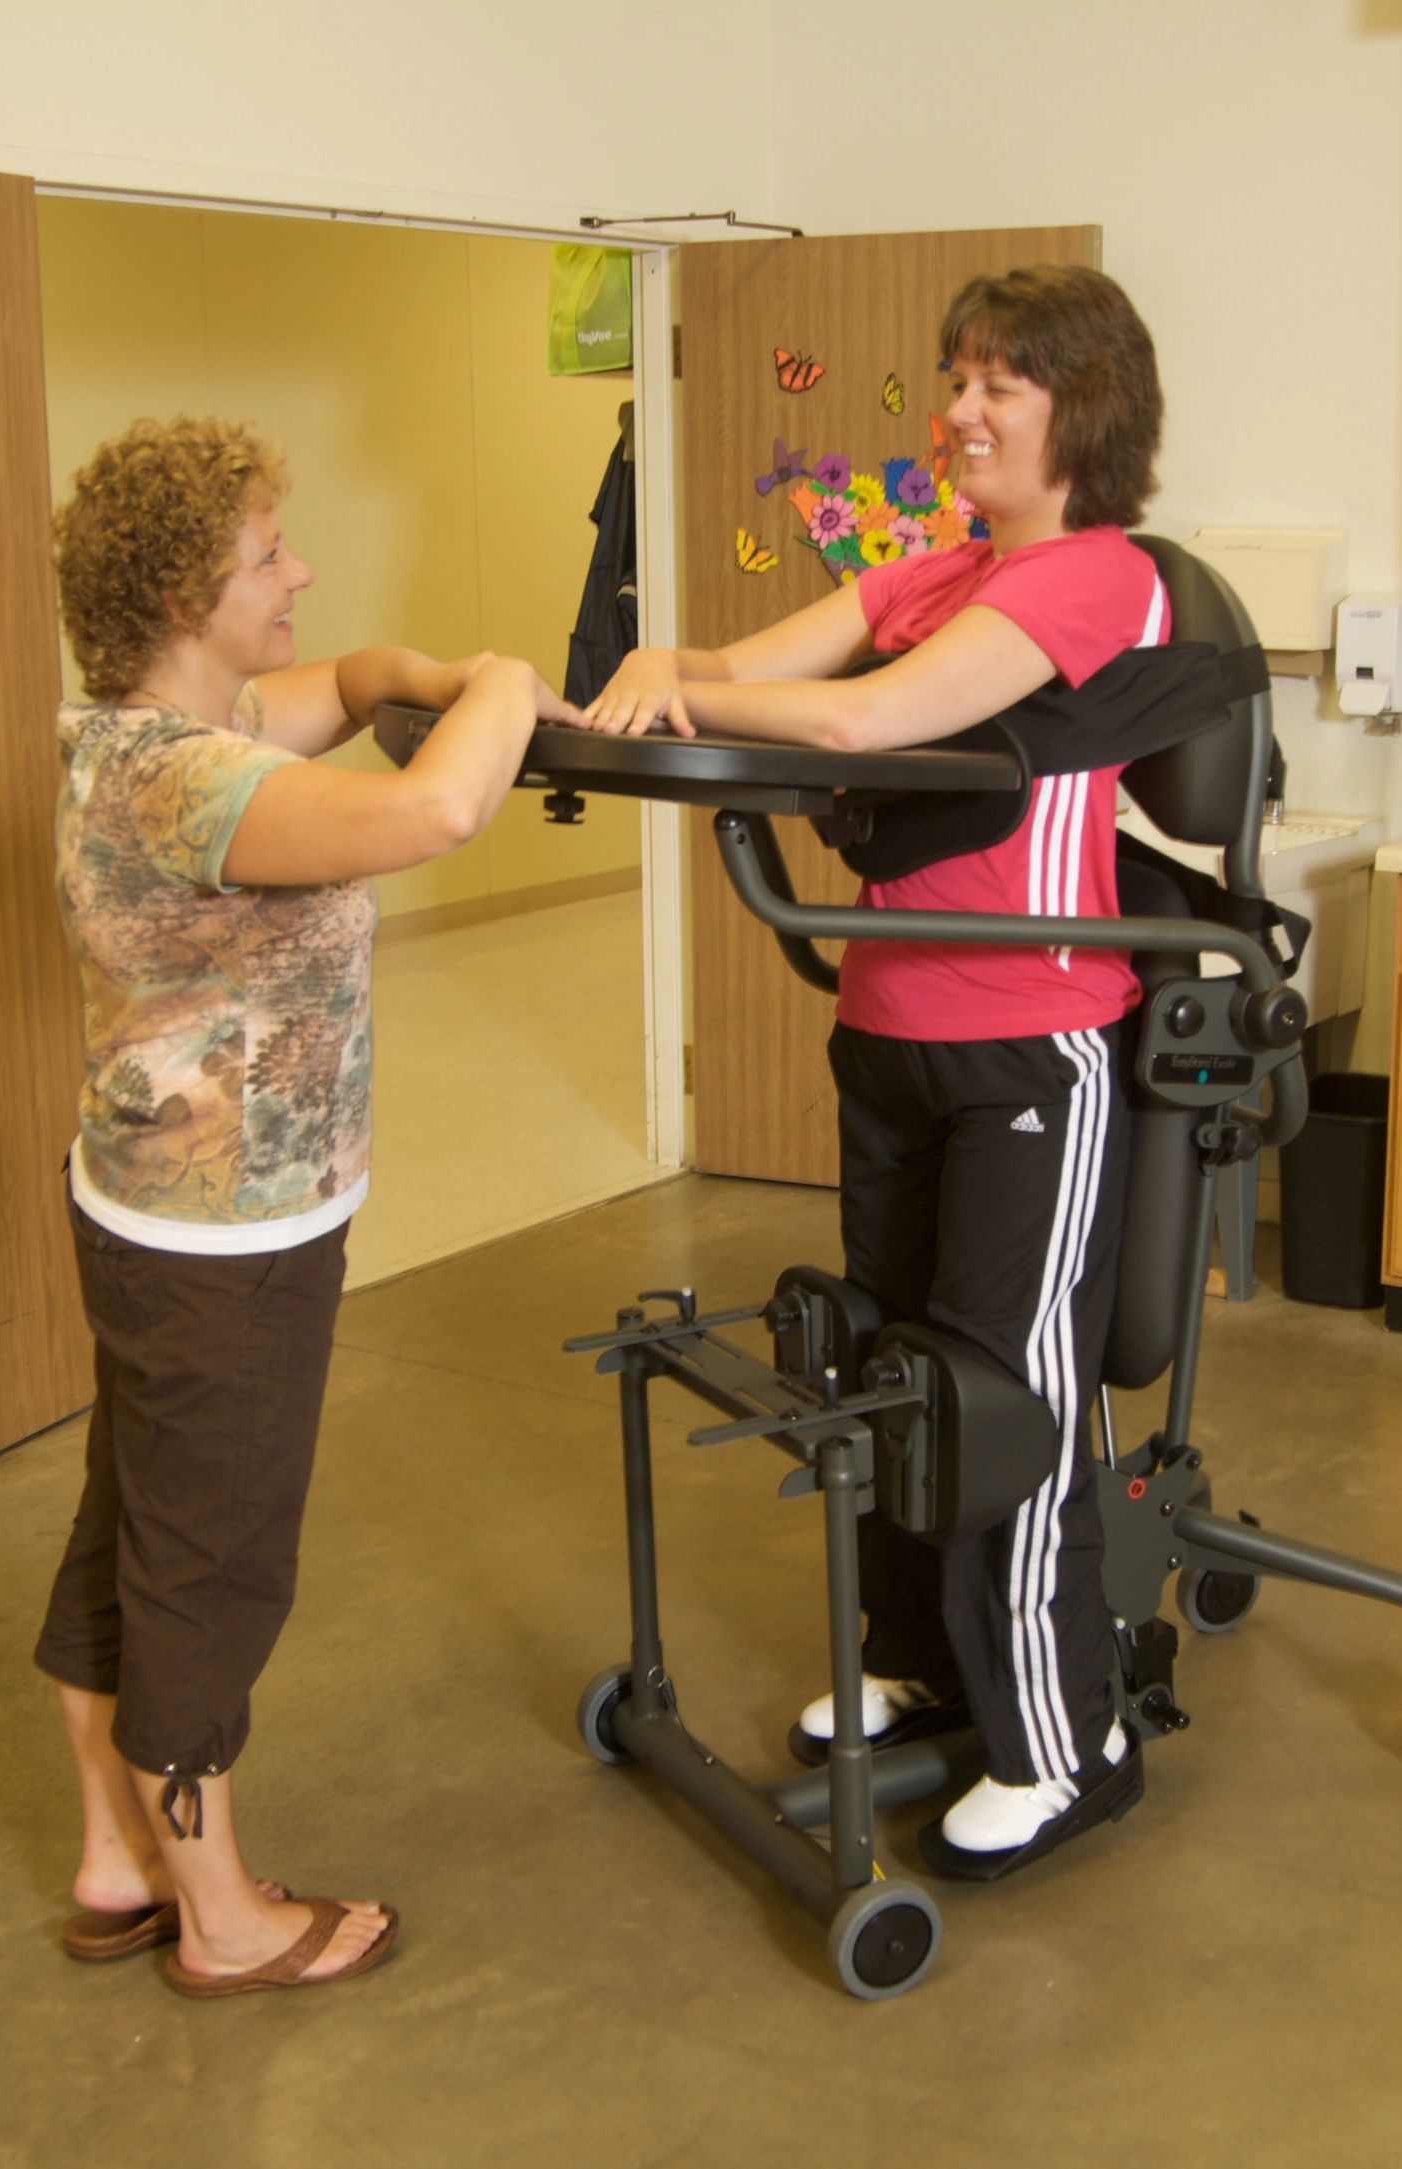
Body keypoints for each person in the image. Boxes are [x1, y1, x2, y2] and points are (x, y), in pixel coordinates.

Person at [580, 264, 1166, 1874]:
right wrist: (637, 674)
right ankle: (922, 1666)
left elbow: (874, 722)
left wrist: (694, 685)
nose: (961, 410)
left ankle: (1067, 1732)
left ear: (1082, 412)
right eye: (956, 376)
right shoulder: (929, 567)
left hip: (1031, 1043)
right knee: (898, 1377)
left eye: (1001, 385)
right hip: (891, 1035)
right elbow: (755, 653)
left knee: (1005, 1399)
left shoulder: (1094, 582)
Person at [37, 415, 580, 1992]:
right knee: (211, 1570)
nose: (300, 570)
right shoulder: (189, 782)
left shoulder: (141, 731)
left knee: (133, 1532)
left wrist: (411, 670)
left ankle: (109, 1853)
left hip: (148, 1214)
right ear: (187, 593)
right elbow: (432, 815)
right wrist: (502, 690)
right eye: (268, 553)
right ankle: (222, 1918)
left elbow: (335, 685)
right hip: (225, 1251)